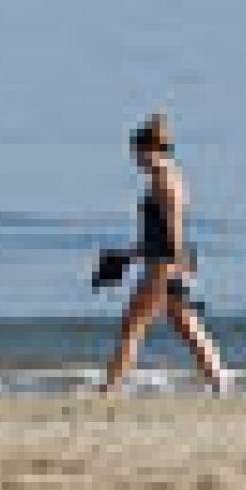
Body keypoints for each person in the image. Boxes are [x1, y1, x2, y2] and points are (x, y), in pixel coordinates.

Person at [100, 112, 228, 393]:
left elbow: (172, 231)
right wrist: (128, 256)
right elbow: (158, 235)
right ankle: (220, 384)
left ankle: (109, 388)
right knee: (189, 329)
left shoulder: (166, 181)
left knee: (131, 327)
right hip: (167, 262)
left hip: (163, 267)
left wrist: (173, 269)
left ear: (153, 149)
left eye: (139, 154)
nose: (137, 161)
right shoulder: (166, 177)